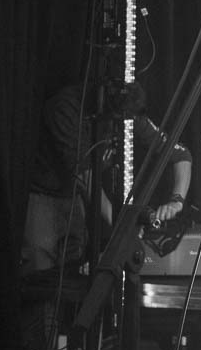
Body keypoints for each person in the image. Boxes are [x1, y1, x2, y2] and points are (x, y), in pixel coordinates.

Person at [21, 81, 192, 274]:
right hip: (42, 195)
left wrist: (176, 201)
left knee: (73, 267)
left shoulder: (128, 111)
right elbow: (86, 177)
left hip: (73, 197)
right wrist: (122, 226)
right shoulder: (66, 108)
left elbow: (180, 154)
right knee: (40, 269)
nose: (123, 124)